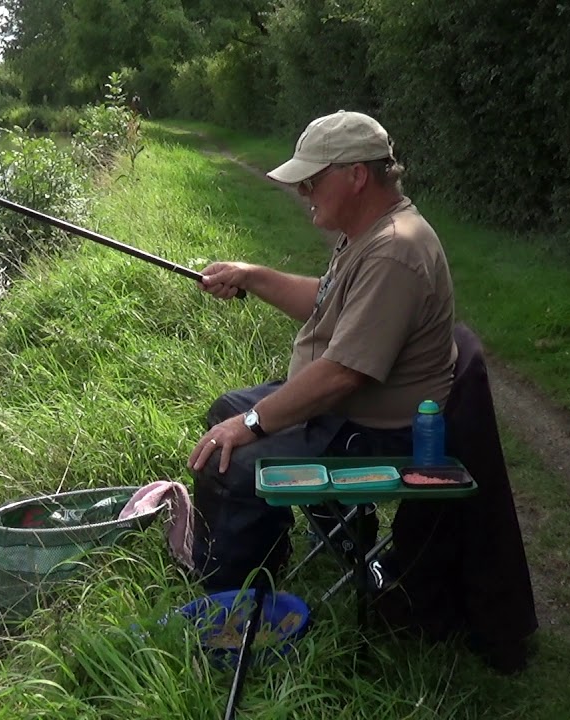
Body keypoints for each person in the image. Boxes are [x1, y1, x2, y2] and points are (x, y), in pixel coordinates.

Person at [187, 110, 457, 592]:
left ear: (356, 176)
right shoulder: (368, 235)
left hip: (373, 431)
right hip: (343, 411)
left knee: (228, 460)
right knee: (223, 411)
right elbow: (325, 299)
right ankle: (266, 555)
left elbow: (341, 376)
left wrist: (254, 424)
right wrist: (250, 275)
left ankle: (231, 601)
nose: (302, 191)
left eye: (311, 180)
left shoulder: (396, 249)